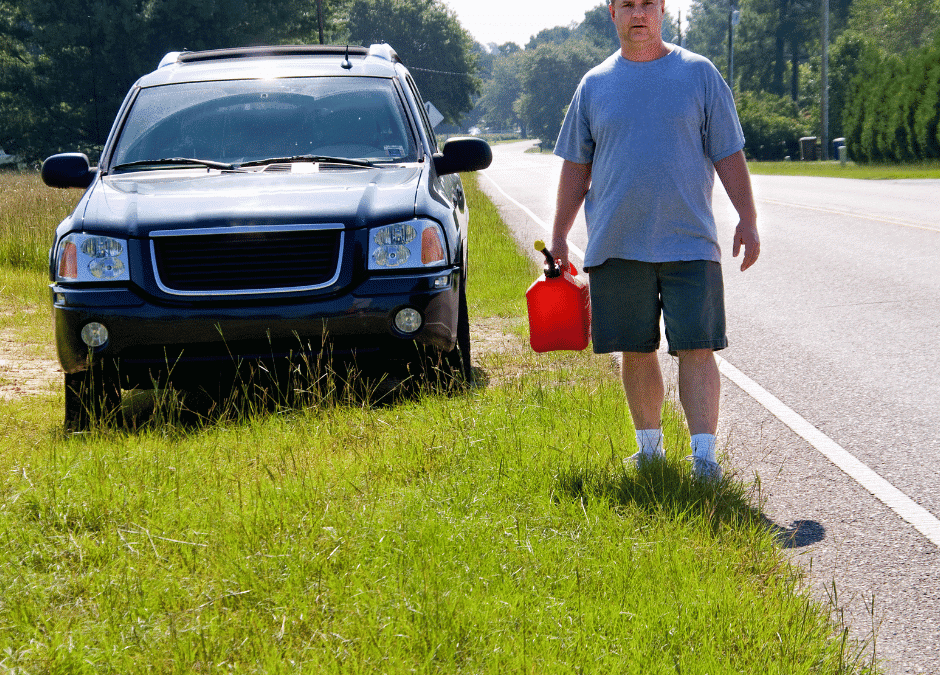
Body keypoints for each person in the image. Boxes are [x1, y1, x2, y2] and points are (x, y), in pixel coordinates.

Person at [550, 0, 760, 480]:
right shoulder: (594, 85)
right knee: (635, 348)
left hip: (690, 241)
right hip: (617, 243)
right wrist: (560, 234)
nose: (638, 13)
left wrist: (747, 218)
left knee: (698, 346)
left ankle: (704, 459)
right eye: (627, 4)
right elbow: (576, 167)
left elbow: (728, 152)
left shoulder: (699, 75)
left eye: (647, 3)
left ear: (663, 10)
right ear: (612, 13)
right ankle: (650, 454)